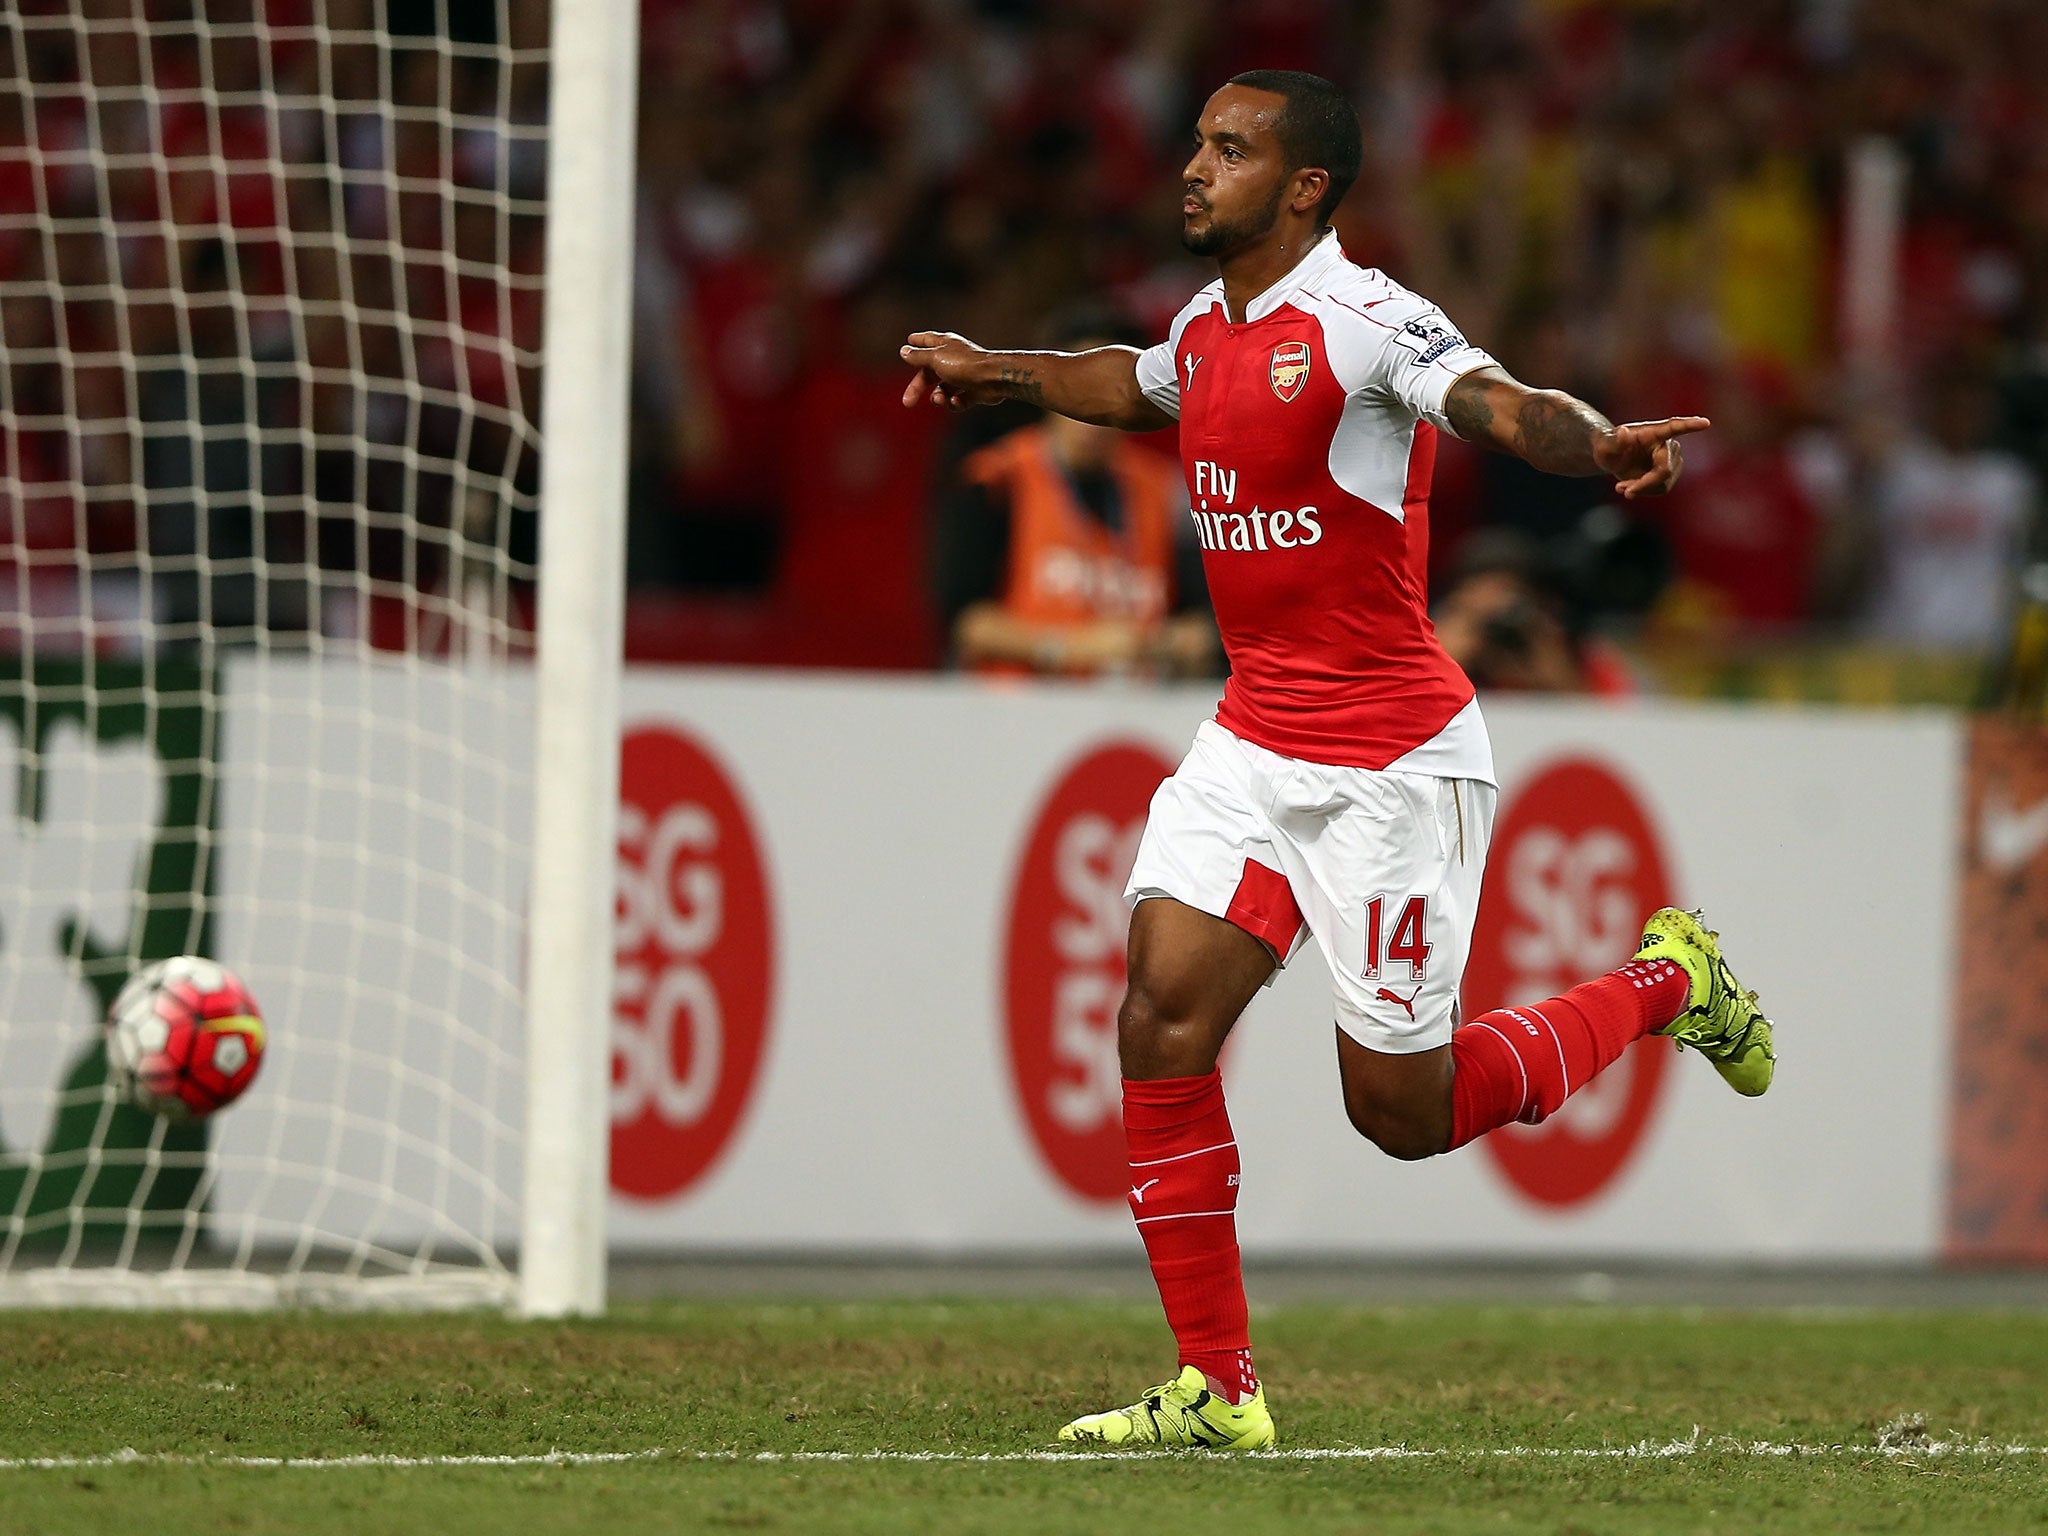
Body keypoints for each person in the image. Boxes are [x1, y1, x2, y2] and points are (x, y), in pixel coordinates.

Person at [902, 71, 1773, 1451]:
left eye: (1230, 150)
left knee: (1402, 1115)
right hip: (1254, 738)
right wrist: (992, 368)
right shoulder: (1206, 325)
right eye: (1195, 141)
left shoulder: (1368, 318)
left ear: (1305, 187)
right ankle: (1218, 1388)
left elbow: (1493, 402)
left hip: (1389, 763)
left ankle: (1670, 981)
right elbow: (1128, 388)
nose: (1194, 167)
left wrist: (1593, 440)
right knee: (1159, 1018)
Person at [933, 309, 1219, 678]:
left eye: (1107, 392)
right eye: (1081, 389)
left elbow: (1203, 620)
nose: (1092, 412)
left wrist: (1178, 641)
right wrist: (1069, 648)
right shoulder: (997, 478)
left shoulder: (1166, 491)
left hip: (1128, 716)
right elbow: (965, 622)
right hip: (1015, 713)